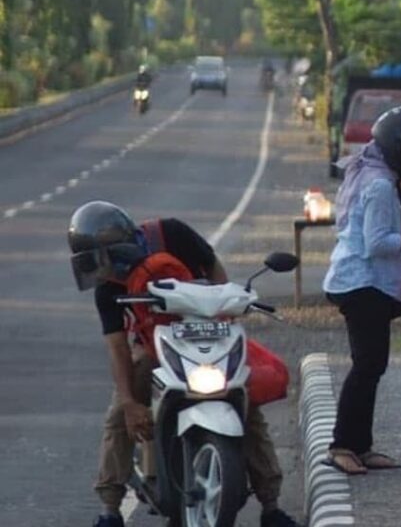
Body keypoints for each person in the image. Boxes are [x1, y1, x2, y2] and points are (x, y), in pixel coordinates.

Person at [68, 201, 301, 527]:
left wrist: (223, 313)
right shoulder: (108, 287)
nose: (101, 271)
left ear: (118, 248)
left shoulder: (172, 233)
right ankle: (110, 509)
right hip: (155, 346)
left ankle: (271, 506)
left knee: (246, 406)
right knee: (118, 416)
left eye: (103, 261)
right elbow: (118, 346)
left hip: (211, 336)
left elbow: (216, 273)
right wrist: (129, 402)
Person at [322, 106, 401, 476]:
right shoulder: (378, 183)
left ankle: (361, 445)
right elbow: (378, 242)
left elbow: (385, 223)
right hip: (363, 283)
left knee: (373, 365)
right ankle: (342, 445)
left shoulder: (377, 176)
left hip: (364, 282)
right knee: (366, 366)